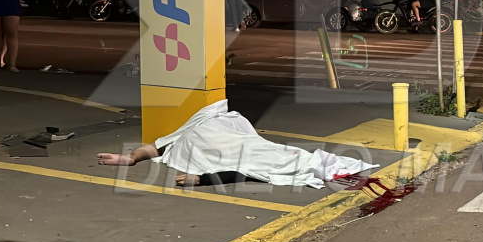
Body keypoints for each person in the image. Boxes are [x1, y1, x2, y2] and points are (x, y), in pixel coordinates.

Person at [97, 99, 378, 187]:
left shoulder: (222, 120)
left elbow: (245, 136)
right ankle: (316, 164)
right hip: (228, 156)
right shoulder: (180, 135)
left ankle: (316, 163)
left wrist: (203, 179)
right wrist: (130, 158)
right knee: (258, 163)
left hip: (243, 145)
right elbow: (155, 147)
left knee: (271, 155)